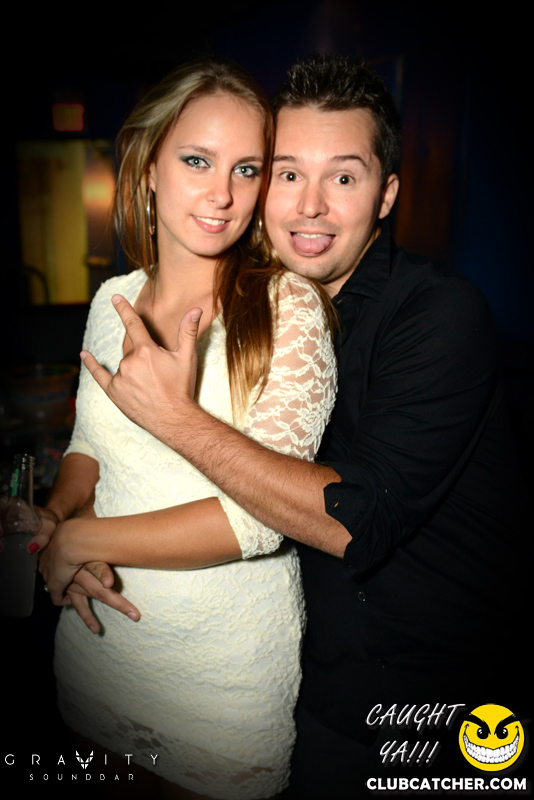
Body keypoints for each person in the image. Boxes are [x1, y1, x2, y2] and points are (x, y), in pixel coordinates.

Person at [42, 55, 527, 796]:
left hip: (422, 698)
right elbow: (101, 449)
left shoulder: (437, 315)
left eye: (344, 177)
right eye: (286, 172)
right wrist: (60, 518)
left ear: (387, 194)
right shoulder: (205, 298)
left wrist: (160, 435)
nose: (309, 206)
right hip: (284, 672)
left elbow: (351, 518)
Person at [34, 58, 337, 800]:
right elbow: (89, 447)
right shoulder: (114, 298)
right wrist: (56, 517)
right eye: (197, 161)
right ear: (149, 168)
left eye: (247, 169)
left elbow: (259, 521)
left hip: (219, 683)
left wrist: (83, 540)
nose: (223, 194)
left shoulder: (286, 311)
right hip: (98, 647)